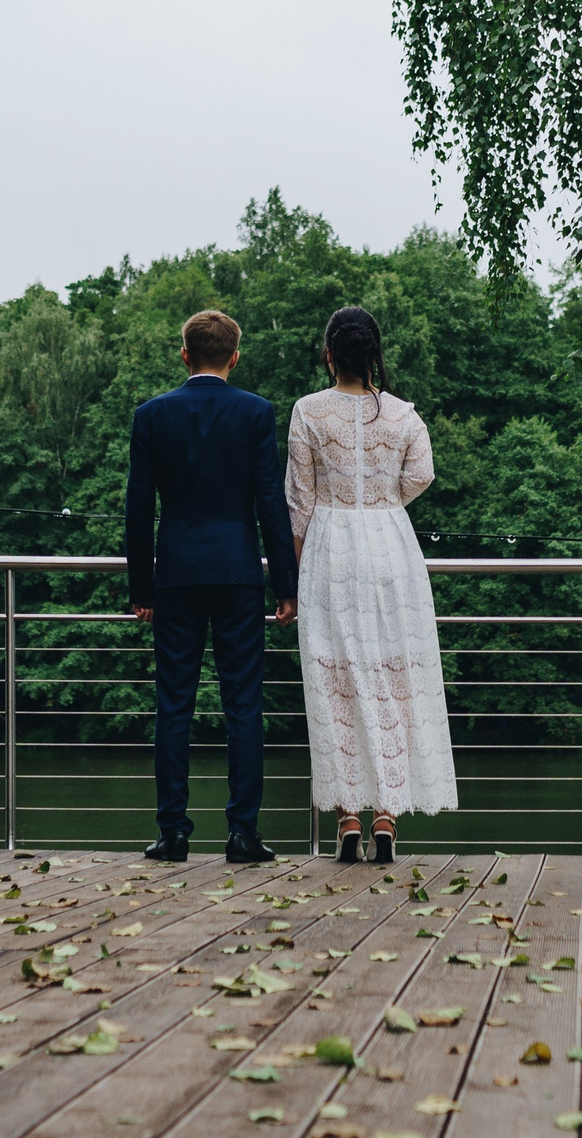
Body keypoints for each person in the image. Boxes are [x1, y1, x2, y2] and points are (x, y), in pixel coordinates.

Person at [126, 309, 299, 864]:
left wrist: (142, 588)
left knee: (173, 704)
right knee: (244, 704)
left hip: (175, 576)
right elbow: (272, 504)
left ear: (184, 355)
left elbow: (137, 511)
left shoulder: (151, 416)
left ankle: (172, 833)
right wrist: (285, 587)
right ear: (234, 357)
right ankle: (243, 834)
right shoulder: (255, 413)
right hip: (238, 574)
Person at [286, 305, 456, 863]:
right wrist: (383, 506)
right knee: (391, 677)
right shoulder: (405, 415)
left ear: (329, 353)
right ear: (374, 353)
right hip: (391, 550)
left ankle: (348, 820)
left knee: (335, 682)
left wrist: (296, 571)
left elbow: (299, 500)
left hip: (331, 550)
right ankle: (386, 815)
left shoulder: (308, 412)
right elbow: (422, 474)